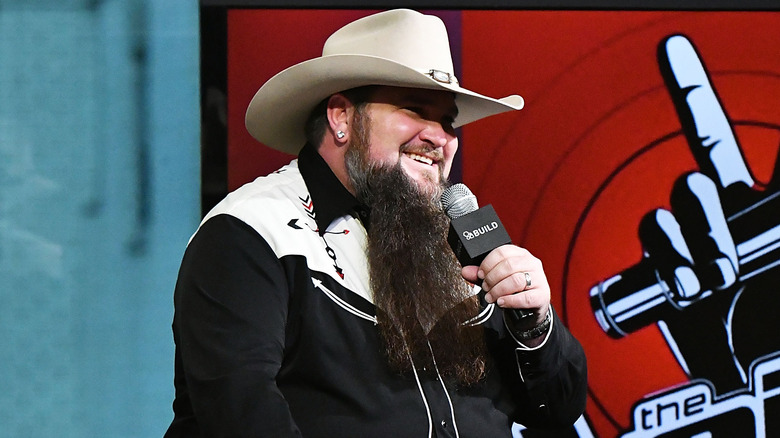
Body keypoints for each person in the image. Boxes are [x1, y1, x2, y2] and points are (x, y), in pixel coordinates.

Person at [165, 9, 587, 438]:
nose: (439, 136)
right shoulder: (252, 231)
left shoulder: (458, 236)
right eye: (415, 109)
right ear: (341, 117)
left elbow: (557, 409)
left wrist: (533, 325)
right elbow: (242, 415)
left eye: (447, 120)